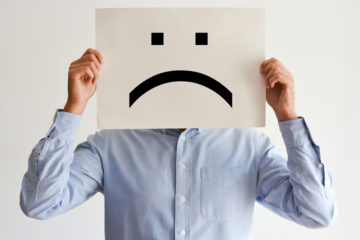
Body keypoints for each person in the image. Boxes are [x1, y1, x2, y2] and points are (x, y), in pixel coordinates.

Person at [20, 48, 336, 240]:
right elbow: (40, 203)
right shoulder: (110, 147)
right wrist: (74, 107)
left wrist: (287, 115)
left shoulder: (250, 148)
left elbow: (317, 213)